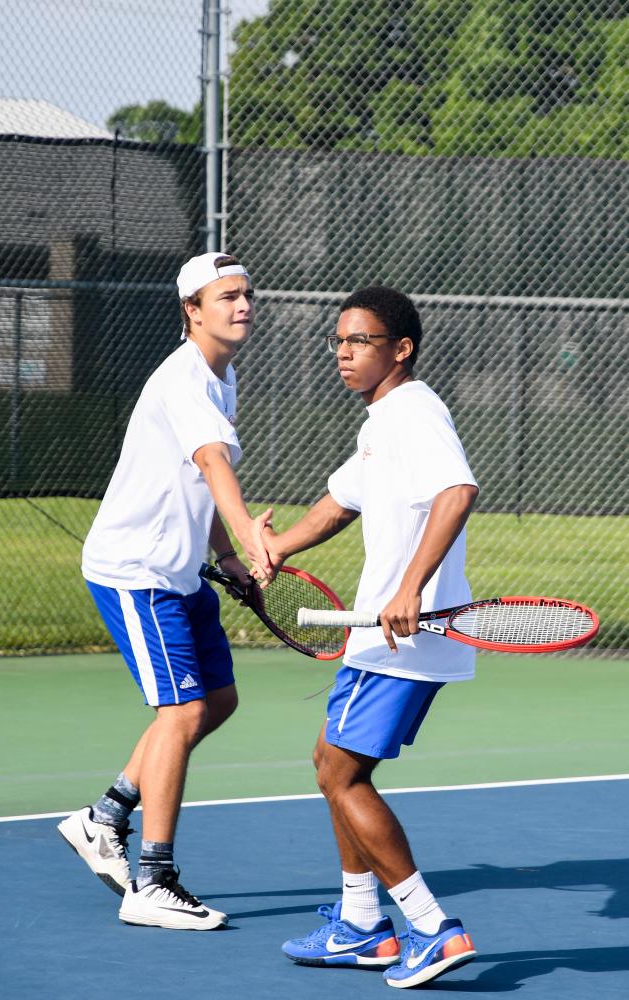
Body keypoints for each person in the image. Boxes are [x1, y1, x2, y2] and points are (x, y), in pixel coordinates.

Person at [263, 286, 479, 988]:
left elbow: (456, 491)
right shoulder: (382, 423)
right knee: (333, 760)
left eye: (358, 341)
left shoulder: (413, 412)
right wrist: (274, 551)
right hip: (383, 635)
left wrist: (411, 586)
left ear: (400, 348)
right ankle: (361, 925)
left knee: (339, 771)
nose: (343, 354)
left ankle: (432, 928)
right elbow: (336, 505)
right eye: (338, 342)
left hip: (404, 634)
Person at [58, 251, 273, 930]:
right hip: (137, 571)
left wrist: (227, 558)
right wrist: (251, 539)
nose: (241, 306)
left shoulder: (222, 377)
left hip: (180, 573)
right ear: (192, 311)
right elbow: (212, 467)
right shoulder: (184, 381)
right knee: (179, 715)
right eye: (226, 297)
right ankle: (151, 881)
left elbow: (193, 484)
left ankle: (105, 817)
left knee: (217, 701)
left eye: (246, 295)